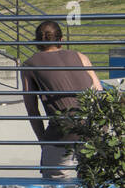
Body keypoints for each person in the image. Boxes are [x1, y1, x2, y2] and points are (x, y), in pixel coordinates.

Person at [22, 20, 103, 179]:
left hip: (61, 133)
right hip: (91, 129)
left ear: (37, 42)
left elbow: (32, 109)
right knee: (92, 182)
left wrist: (44, 142)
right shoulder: (80, 57)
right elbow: (98, 90)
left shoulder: (29, 65)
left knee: (55, 186)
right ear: (61, 40)